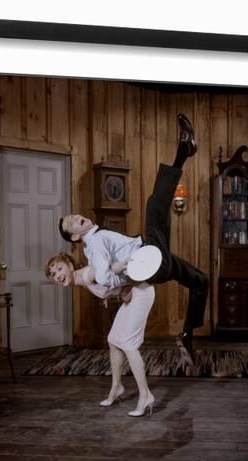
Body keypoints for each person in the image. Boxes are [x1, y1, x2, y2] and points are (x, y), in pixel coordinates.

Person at [58, 113, 209, 365]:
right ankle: (184, 150)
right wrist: (123, 275)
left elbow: (104, 280)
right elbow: (105, 277)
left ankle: (187, 335)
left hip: (155, 262)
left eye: (74, 215)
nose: (76, 217)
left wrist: (120, 289)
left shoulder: (96, 238)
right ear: (75, 235)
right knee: (154, 206)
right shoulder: (93, 245)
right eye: (72, 222)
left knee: (200, 280)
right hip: (148, 261)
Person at [45, 252, 156, 417]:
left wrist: (127, 286)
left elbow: (115, 272)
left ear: (70, 266)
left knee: (128, 344)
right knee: (113, 340)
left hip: (141, 293)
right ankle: (116, 387)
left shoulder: (87, 275)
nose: (58, 276)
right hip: (133, 295)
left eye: (60, 269)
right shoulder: (83, 280)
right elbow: (109, 281)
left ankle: (146, 395)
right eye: (54, 274)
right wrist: (112, 292)